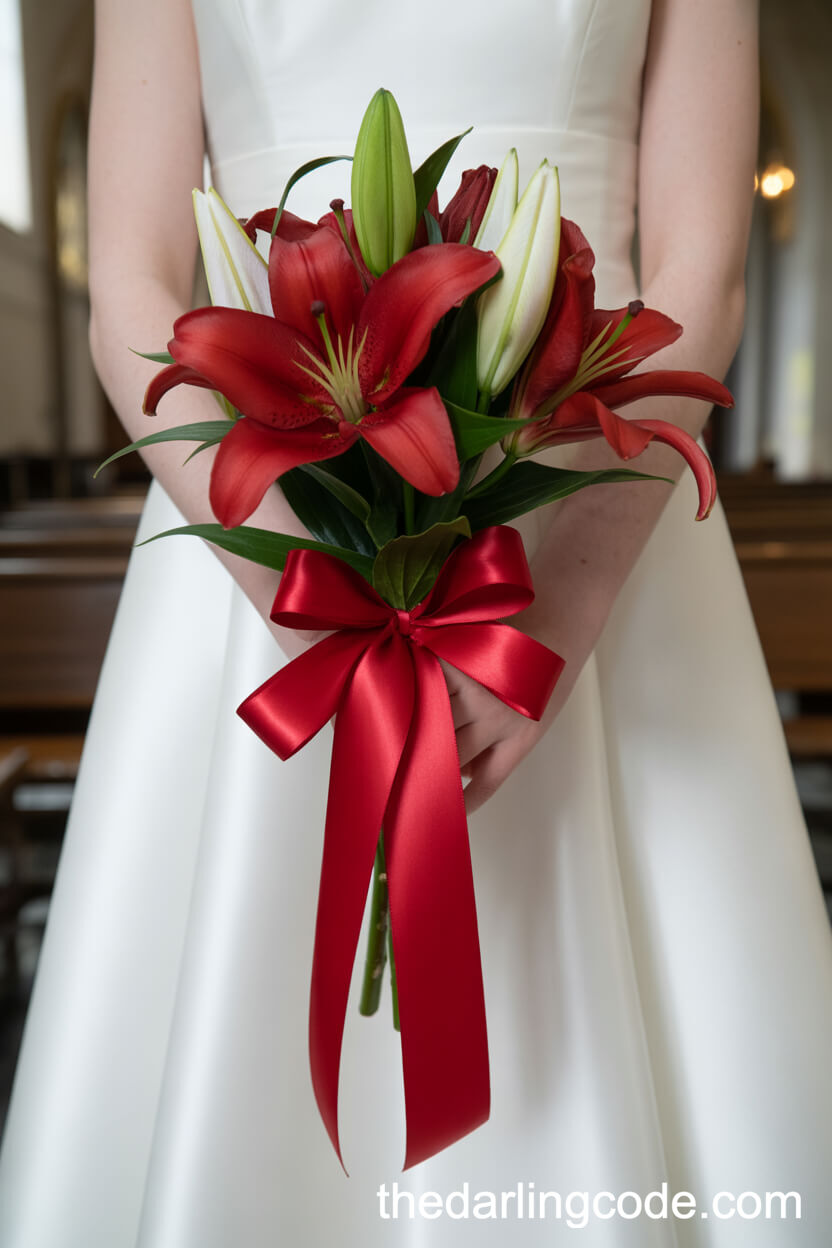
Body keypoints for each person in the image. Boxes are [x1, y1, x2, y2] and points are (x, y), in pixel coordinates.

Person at [2, 0, 832, 1243]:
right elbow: (128, 285)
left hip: (595, 502)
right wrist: (310, 585)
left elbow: (700, 272)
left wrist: (555, 606)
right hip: (255, 534)